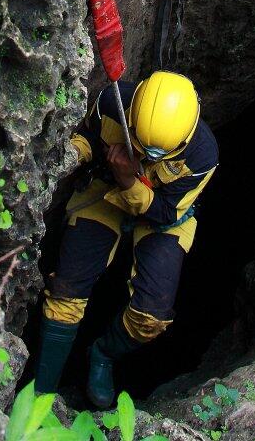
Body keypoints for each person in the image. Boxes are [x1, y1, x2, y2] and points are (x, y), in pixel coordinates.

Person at [34, 71, 218, 407]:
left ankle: (102, 354)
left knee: (151, 316)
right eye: (141, 142)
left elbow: (165, 212)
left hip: (161, 214)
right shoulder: (112, 102)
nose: (147, 154)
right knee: (65, 293)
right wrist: (75, 154)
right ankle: (41, 395)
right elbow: (88, 136)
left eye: (158, 152)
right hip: (104, 194)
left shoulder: (202, 155)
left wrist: (129, 179)